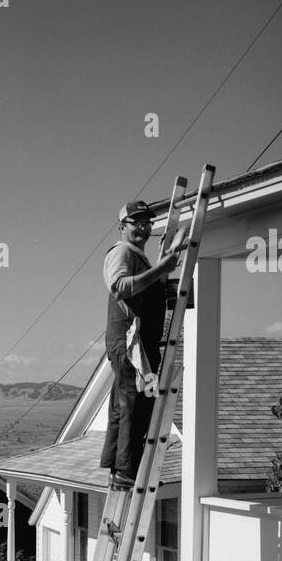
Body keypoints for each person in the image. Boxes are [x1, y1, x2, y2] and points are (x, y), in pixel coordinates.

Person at [99, 200, 186, 490]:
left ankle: (118, 468)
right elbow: (119, 287)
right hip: (130, 340)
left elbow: (147, 288)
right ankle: (127, 472)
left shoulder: (138, 256)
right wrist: (160, 267)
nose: (143, 227)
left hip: (134, 341)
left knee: (122, 405)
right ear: (122, 226)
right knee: (135, 403)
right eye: (136, 222)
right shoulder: (122, 252)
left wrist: (164, 265)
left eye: (147, 222)